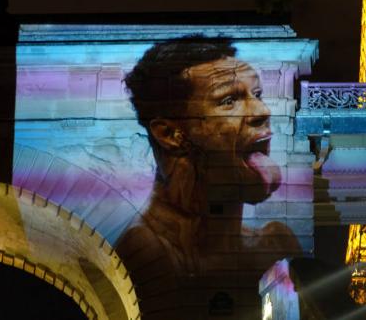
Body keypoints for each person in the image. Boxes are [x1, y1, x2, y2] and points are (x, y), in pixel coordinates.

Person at [115, 38, 299, 318]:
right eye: (229, 100)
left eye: (257, 94)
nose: (262, 111)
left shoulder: (276, 243)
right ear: (170, 134)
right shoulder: (146, 254)